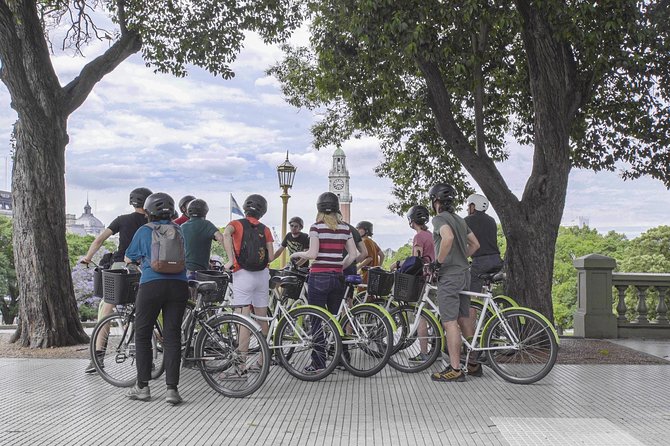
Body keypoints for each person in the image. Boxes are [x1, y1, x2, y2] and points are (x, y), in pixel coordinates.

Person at [124, 192, 188, 404]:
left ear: (149, 211)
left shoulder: (144, 230)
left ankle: (143, 387)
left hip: (152, 284)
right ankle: (172, 390)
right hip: (179, 285)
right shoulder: (179, 230)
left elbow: (129, 256)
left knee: (142, 334)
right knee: (172, 336)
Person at [81, 187, 152, 374]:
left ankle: (97, 358)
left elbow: (99, 240)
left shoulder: (122, 220)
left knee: (105, 310)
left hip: (121, 268)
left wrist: (88, 257)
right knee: (143, 312)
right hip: (144, 269)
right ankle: (146, 358)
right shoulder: (151, 222)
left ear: (132, 202)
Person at [290, 192, 358, 372]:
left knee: (317, 320)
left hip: (318, 277)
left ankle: (318, 363)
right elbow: (354, 255)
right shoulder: (345, 229)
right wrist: (339, 267)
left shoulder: (316, 227)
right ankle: (343, 359)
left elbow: (312, 254)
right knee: (337, 321)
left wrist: (296, 254)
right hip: (337, 278)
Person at [428, 183, 480, 382]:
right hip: (464, 273)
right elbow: (475, 244)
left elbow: (447, 238)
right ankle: (473, 363)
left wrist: (438, 263)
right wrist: (460, 257)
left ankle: (455, 369)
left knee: (449, 322)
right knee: (463, 318)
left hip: (449, 276)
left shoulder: (439, 218)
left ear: (436, 201)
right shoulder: (459, 219)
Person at [222, 194, 274, 372]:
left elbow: (225, 234)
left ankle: (240, 366)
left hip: (242, 274)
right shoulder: (265, 229)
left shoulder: (236, 224)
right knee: (262, 318)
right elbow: (271, 256)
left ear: (245, 208)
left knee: (243, 320)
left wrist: (230, 259)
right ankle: (262, 360)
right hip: (262, 275)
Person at [464, 193, 503, 293]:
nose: (467, 209)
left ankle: (472, 307)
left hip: (481, 262)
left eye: (469, 206)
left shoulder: (468, 220)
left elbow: (460, 240)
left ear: (474, 206)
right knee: (483, 294)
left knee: (469, 295)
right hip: (496, 260)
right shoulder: (491, 220)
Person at [181, 198, 225, 276]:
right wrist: (232, 258)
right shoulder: (207, 224)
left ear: (188, 211)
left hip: (184, 269)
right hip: (200, 271)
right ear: (205, 212)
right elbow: (221, 238)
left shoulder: (183, 226)